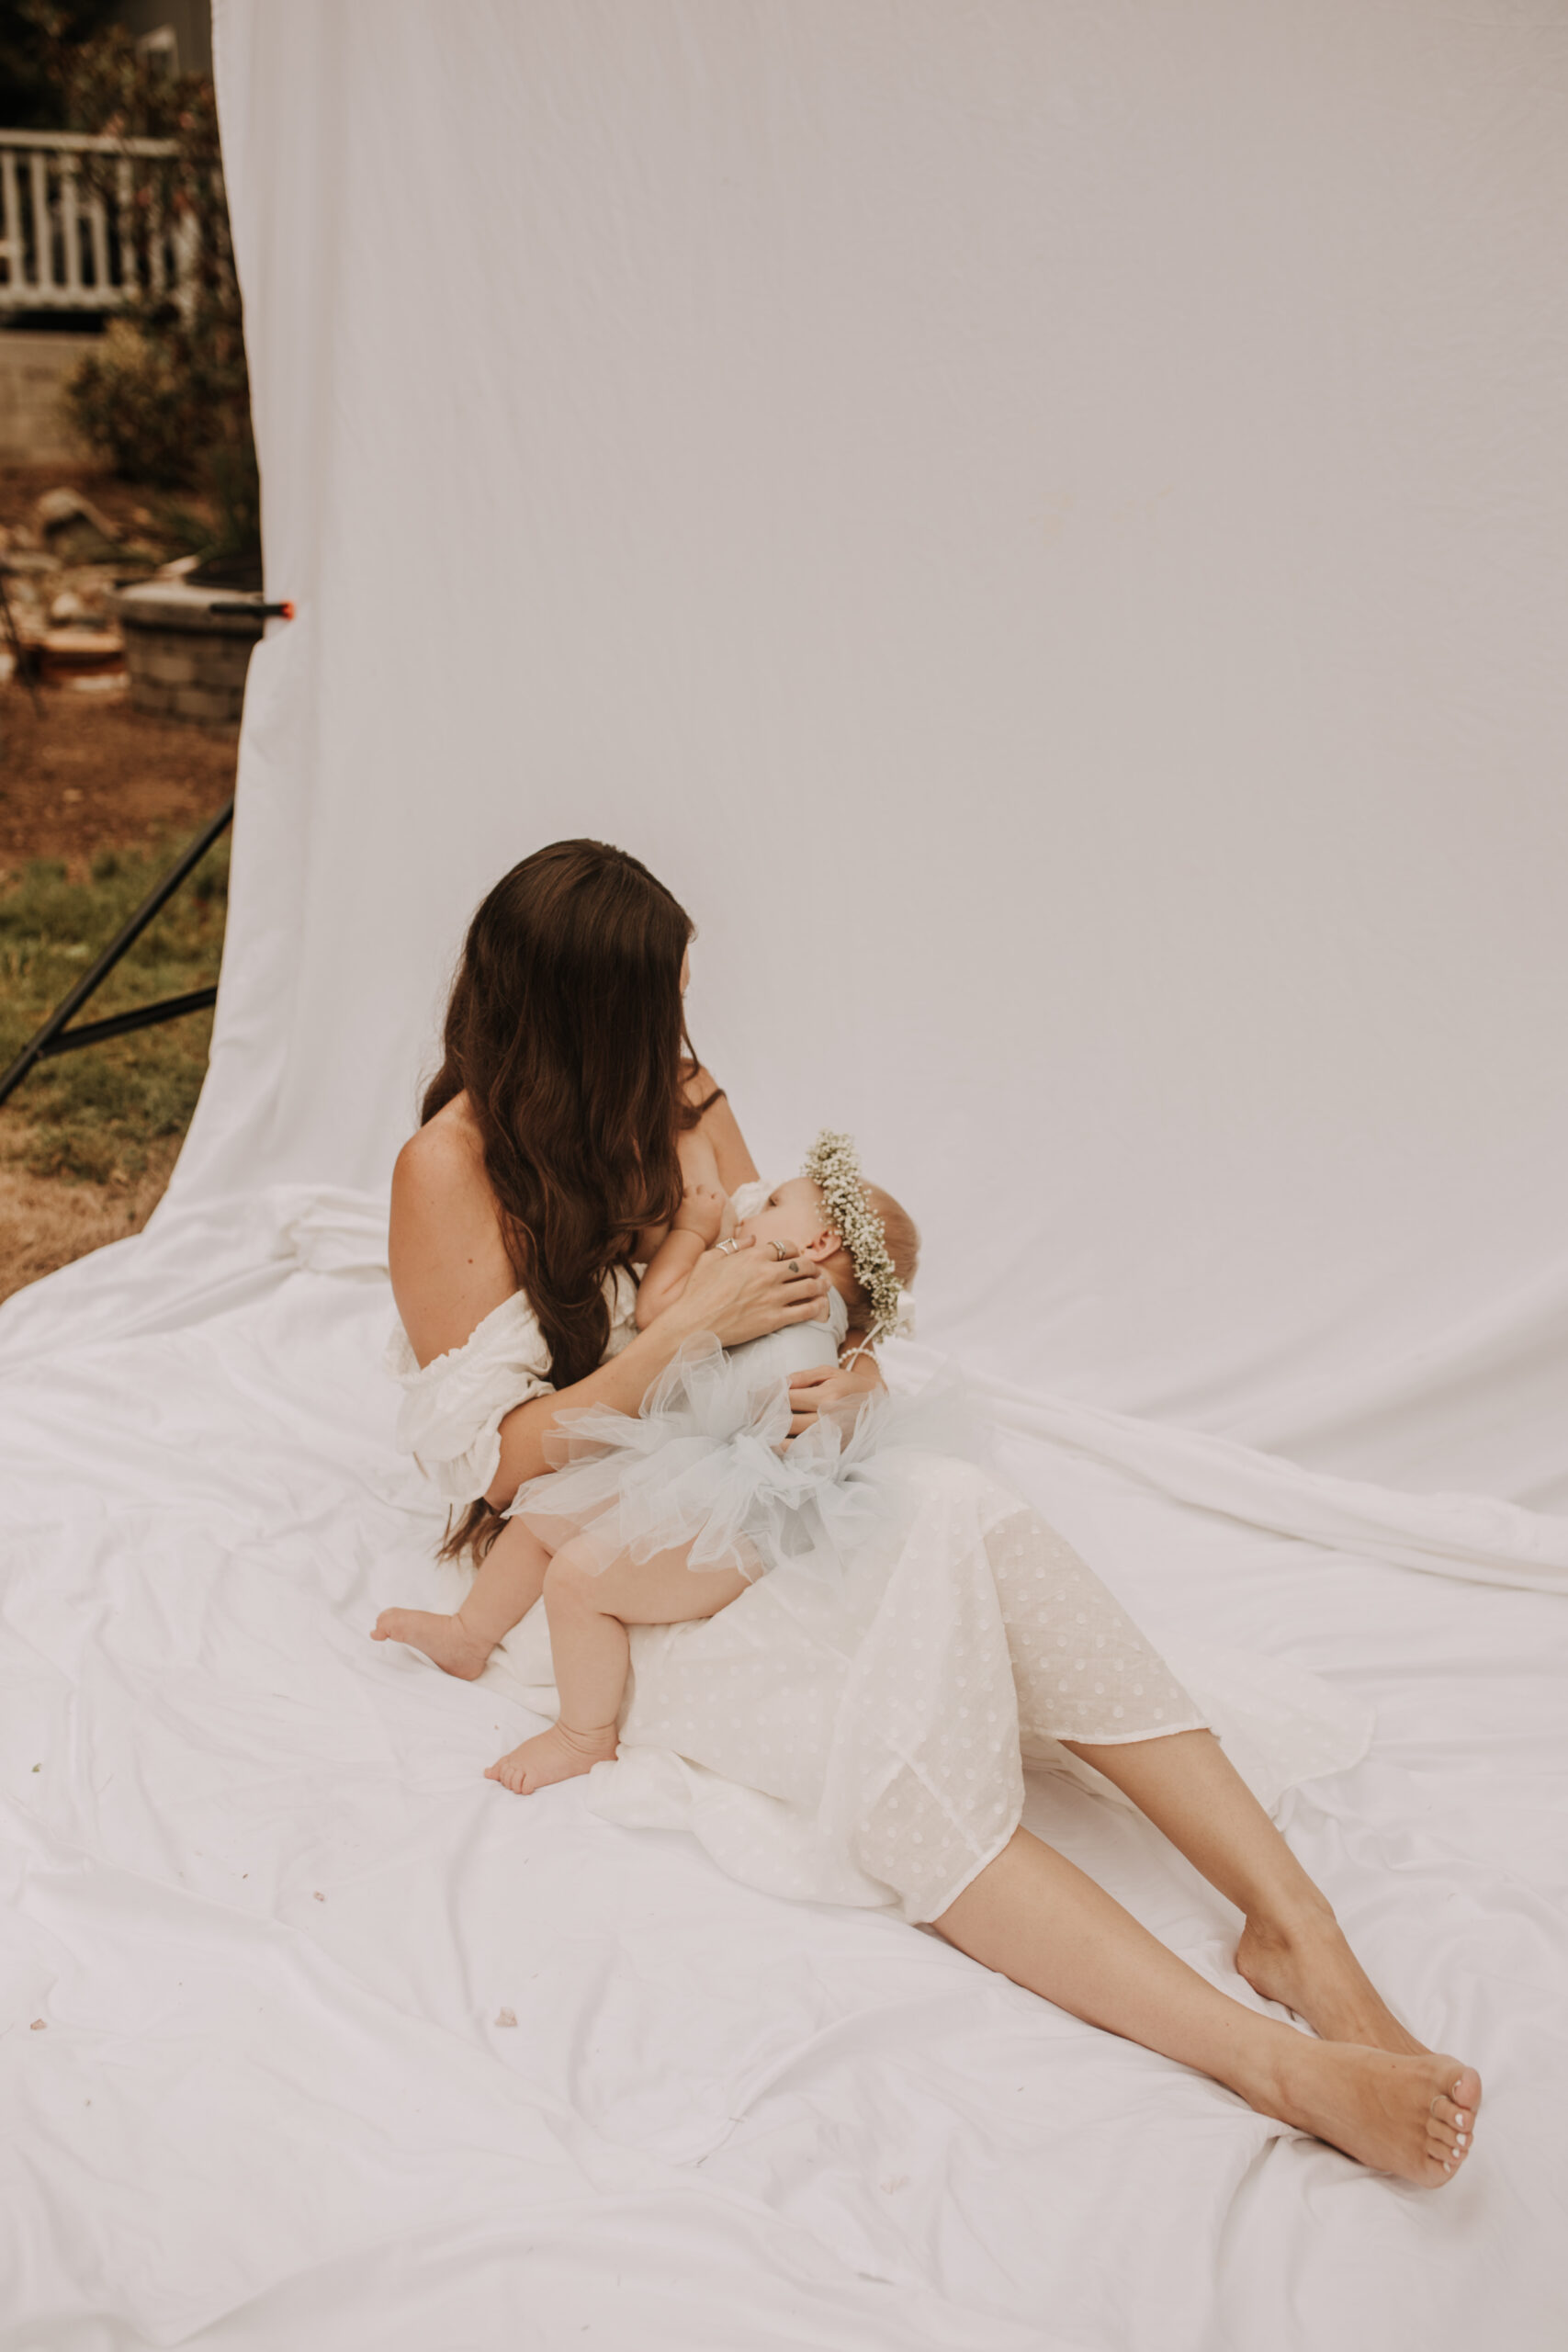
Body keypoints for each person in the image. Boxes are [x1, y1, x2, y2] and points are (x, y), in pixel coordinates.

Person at [379, 837, 1480, 2188]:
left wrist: (848, 1382)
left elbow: (795, 1283)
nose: (675, 1040)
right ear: (563, 1015)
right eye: (643, 1008)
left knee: (962, 1501)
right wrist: (684, 1340)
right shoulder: (449, 1166)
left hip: (751, 1475)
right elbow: (499, 1466)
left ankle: (1297, 1928)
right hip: (607, 1550)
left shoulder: (672, 1092)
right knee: (898, 1746)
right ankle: (1271, 2064)